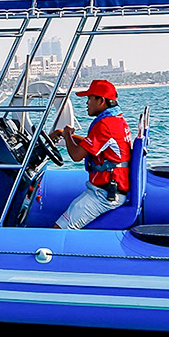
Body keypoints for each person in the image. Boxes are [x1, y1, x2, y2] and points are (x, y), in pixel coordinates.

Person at [52, 79, 132, 229]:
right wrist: (63, 133)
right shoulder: (117, 120)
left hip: (104, 195)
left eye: (89, 98)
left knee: (59, 229)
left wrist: (68, 135)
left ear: (101, 101)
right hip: (107, 190)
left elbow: (76, 156)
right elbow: (95, 143)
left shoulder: (104, 125)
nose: (87, 103)